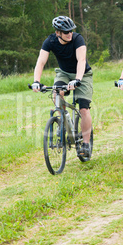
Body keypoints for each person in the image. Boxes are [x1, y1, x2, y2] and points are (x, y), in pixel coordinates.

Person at [32, 15, 93, 158]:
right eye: (66, 32)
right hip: (64, 73)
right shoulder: (50, 41)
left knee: (83, 108)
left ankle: (85, 143)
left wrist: (77, 79)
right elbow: (40, 62)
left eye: (71, 30)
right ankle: (63, 118)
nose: (70, 34)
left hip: (83, 74)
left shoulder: (77, 39)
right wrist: (36, 81)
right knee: (56, 93)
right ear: (57, 32)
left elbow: (81, 60)